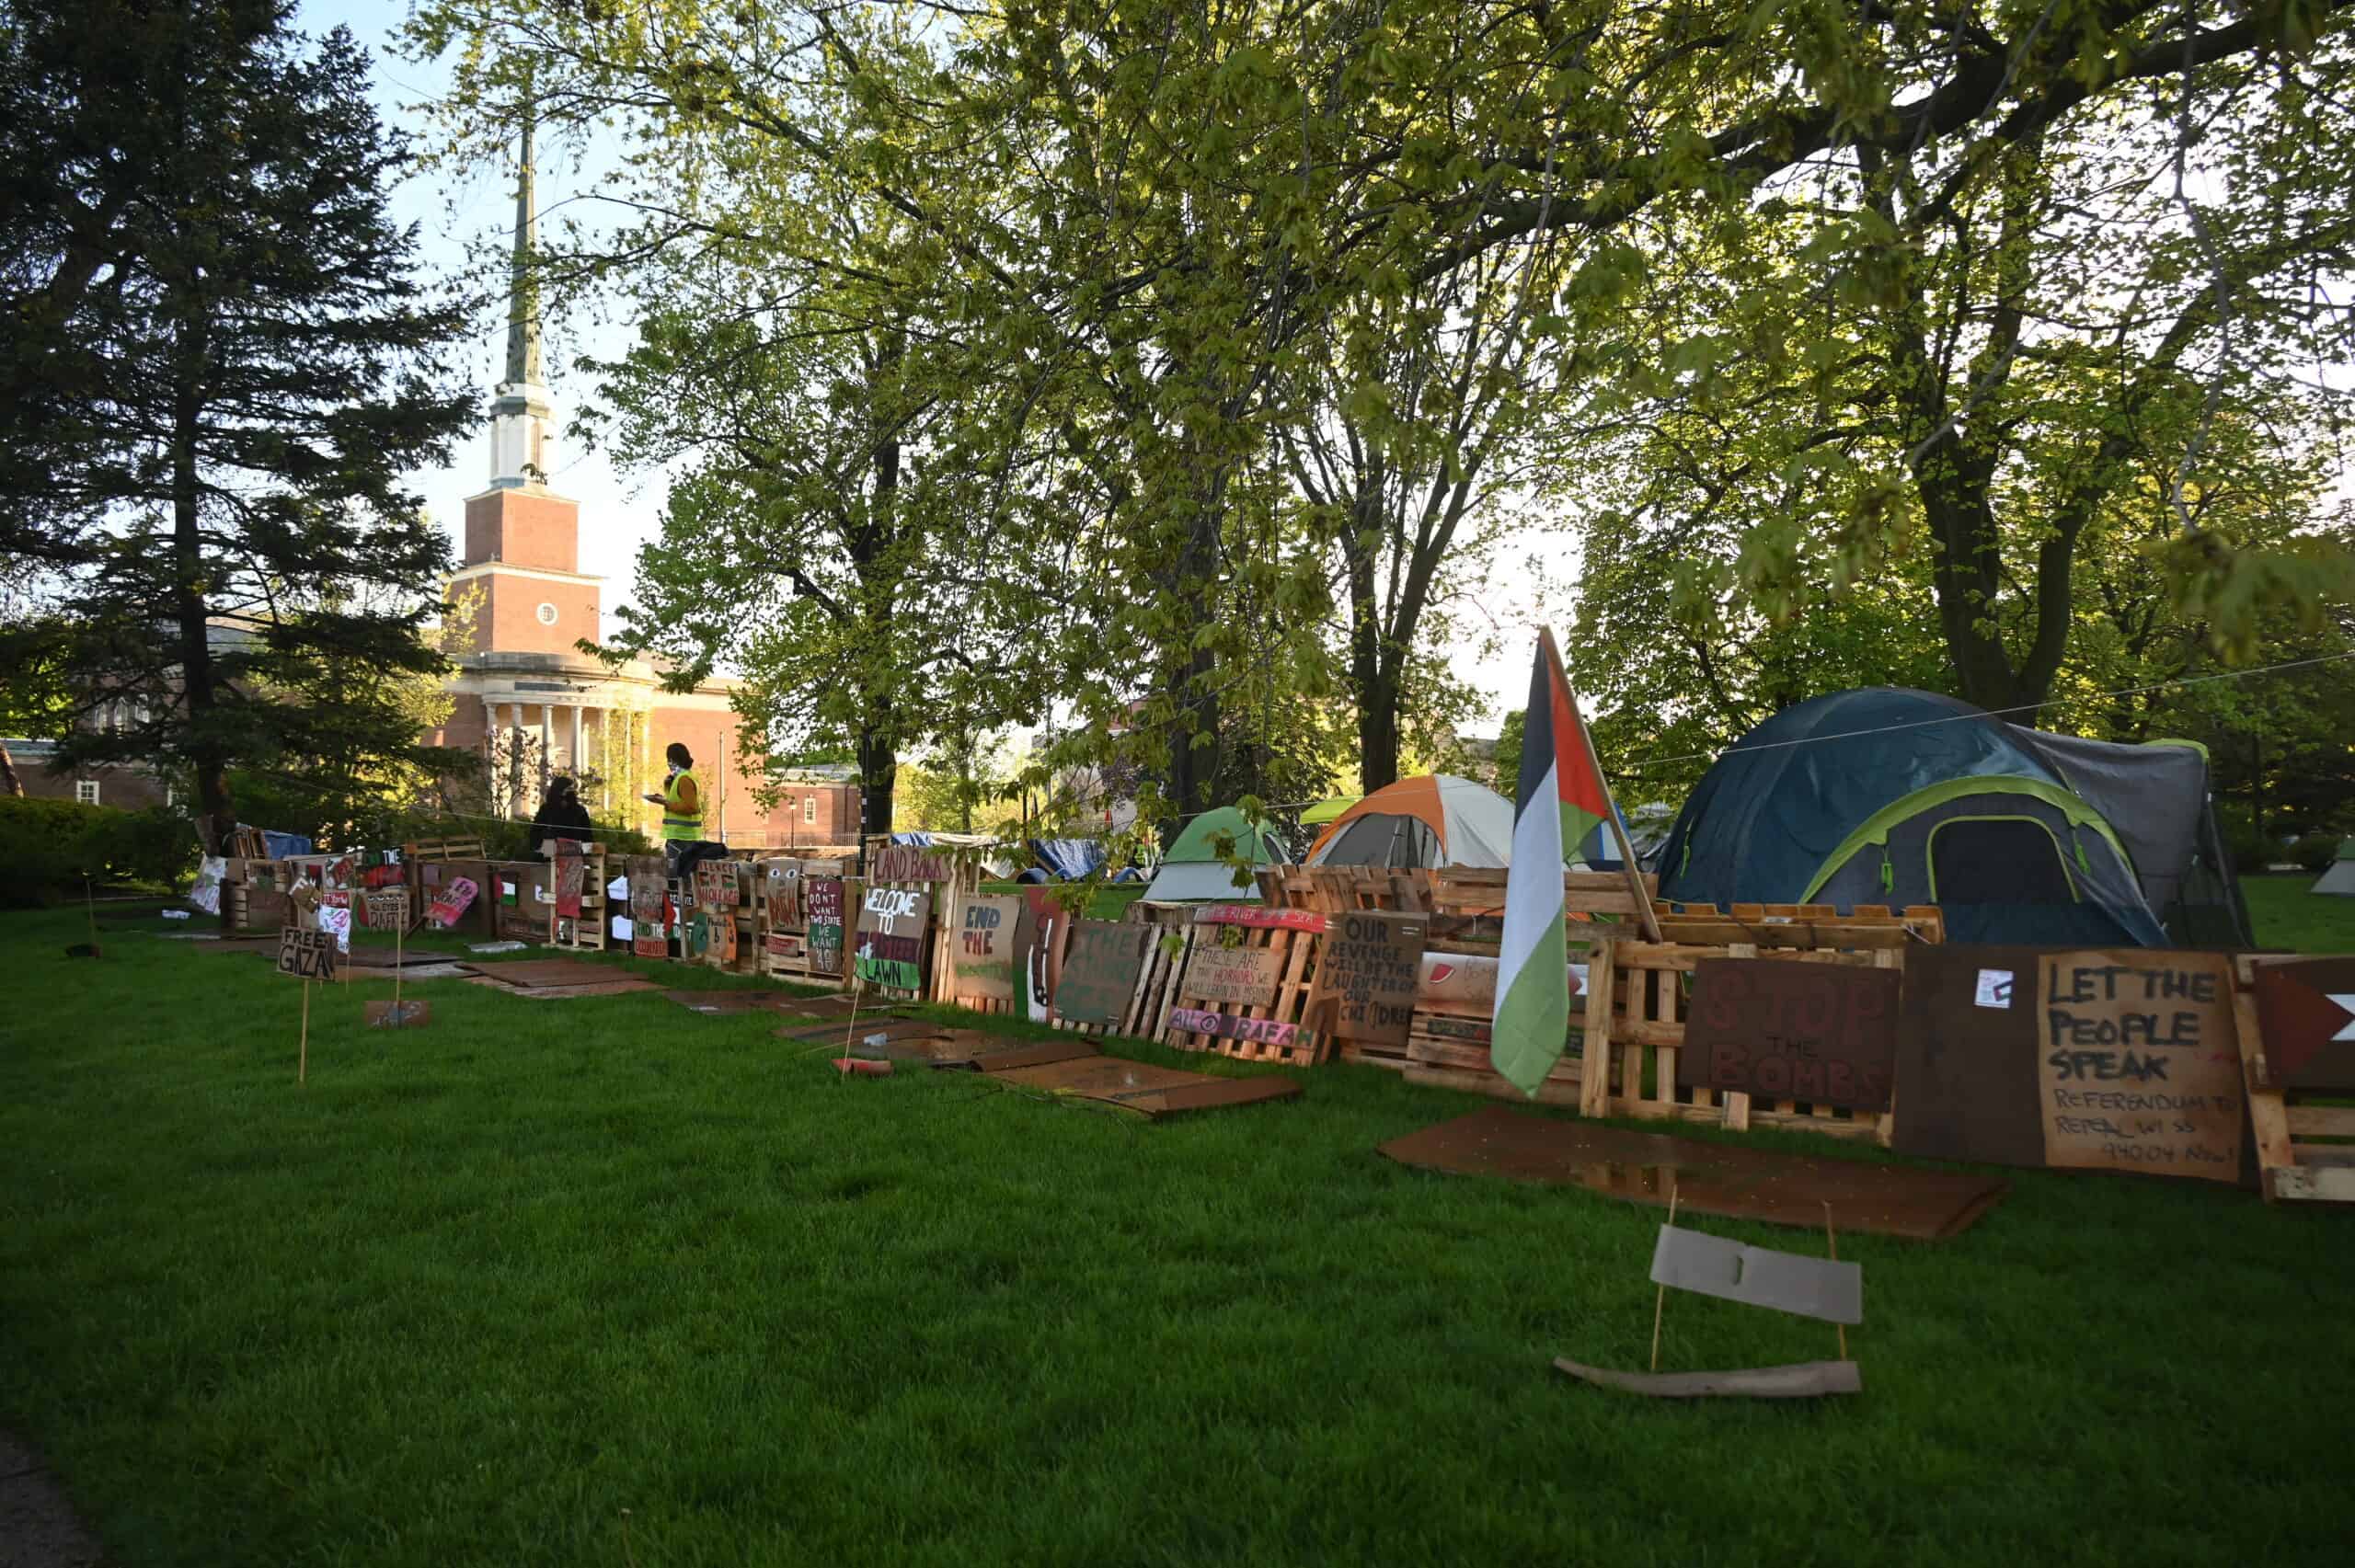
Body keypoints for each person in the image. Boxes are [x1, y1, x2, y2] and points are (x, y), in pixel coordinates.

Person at [646, 742, 707, 878]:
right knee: (677, 876)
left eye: (669, 759)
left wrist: (666, 803)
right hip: (679, 837)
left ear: (673, 759)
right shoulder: (679, 777)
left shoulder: (684, 779)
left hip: (683, 838)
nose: (668, 763)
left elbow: (691, 807)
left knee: (678, 878)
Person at [530, 776, 594, 861]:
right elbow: (536, 832)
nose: (568, 793)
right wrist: (539, 848)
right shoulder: (546, 809)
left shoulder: (579, 811)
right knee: (548, 867)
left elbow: (587, 835)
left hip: (573, 852)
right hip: (550, 849)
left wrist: (585, 853)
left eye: (570, 790)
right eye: (567, 789)